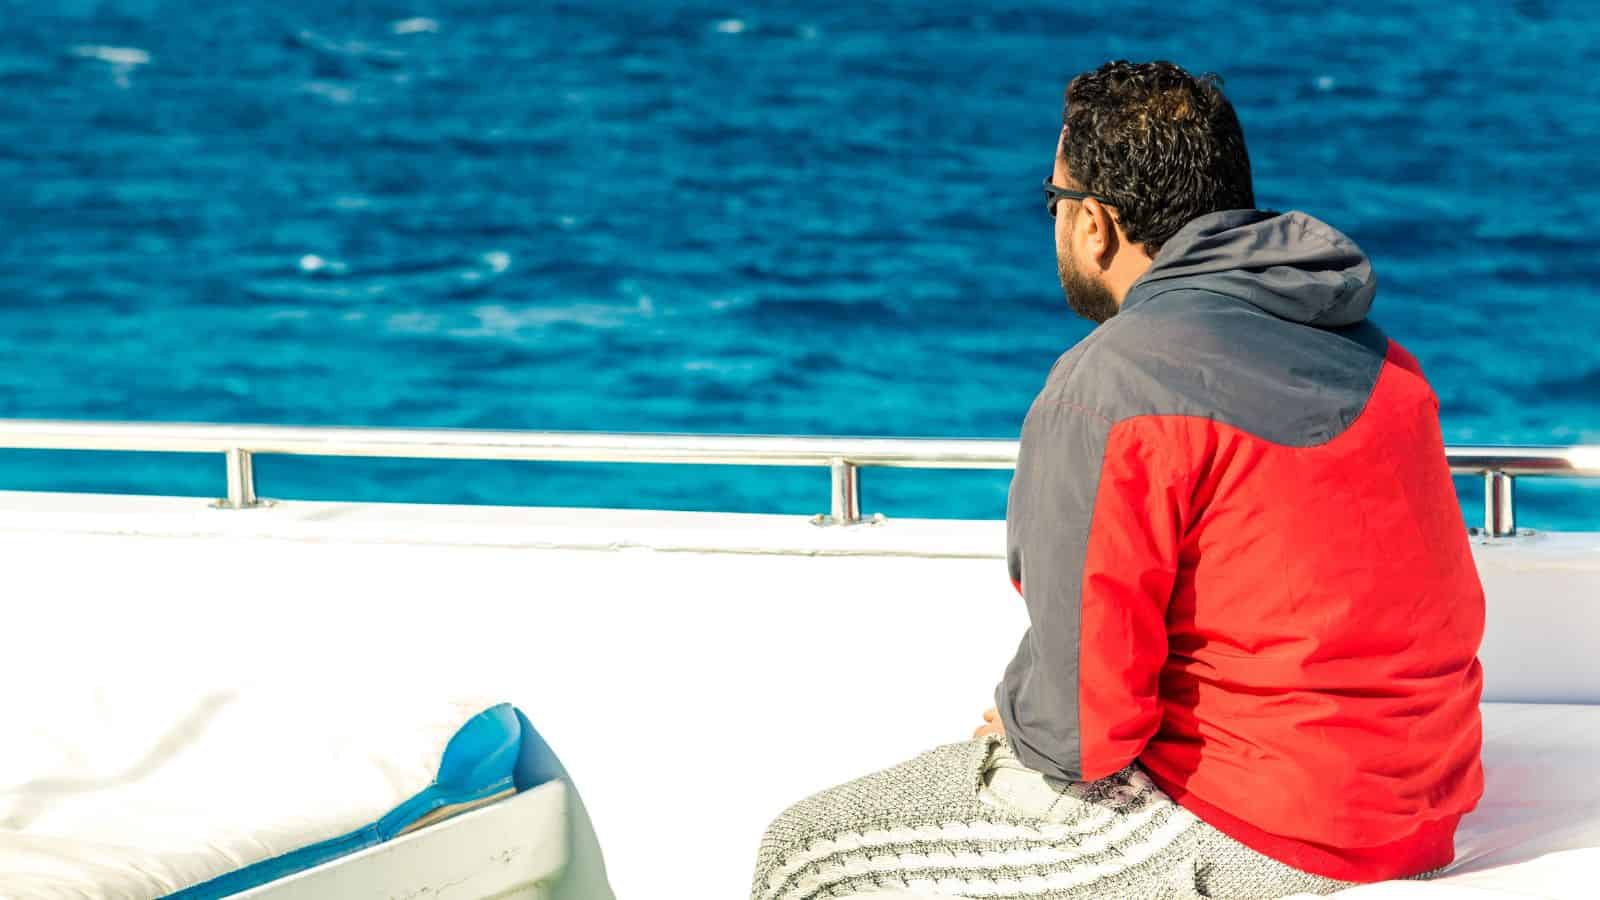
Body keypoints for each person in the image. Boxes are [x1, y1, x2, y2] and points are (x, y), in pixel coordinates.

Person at [750, 60, 1484, 900]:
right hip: (1419, 805)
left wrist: (1035, 722)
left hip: (1268, 825)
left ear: (1095, 224)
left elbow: (1081, 734)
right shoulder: (1383, 359)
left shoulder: (1113, 385)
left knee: (804, 852)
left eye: (1052, 201)